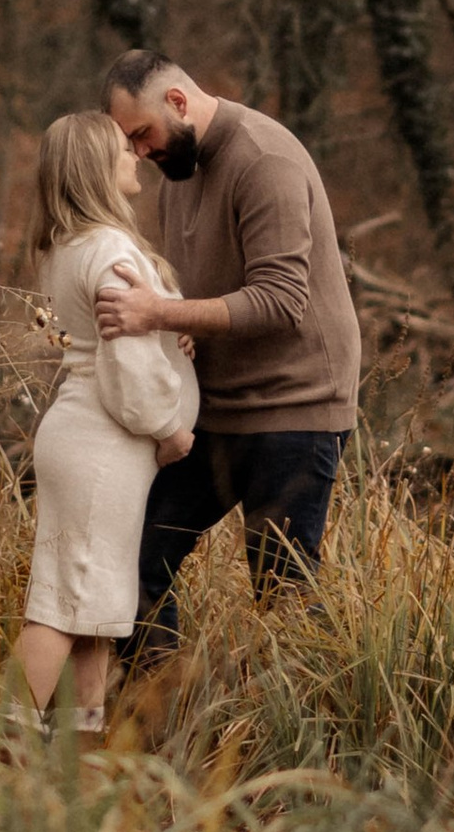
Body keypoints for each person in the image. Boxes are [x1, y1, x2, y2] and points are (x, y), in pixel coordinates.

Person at [95, 47, 359, 647]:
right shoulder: (179, 171)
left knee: (284, 597)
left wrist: (159, 313)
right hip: (213, 413)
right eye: (130, 142)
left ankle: (317, 708)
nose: (140, 152)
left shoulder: (264, 159)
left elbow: (280, 300)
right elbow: (206, 291)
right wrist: (183, 320)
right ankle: (160, 700)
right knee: (134, 562)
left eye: (142, 133)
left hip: (295, 408)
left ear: (178, 102)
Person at [17, 109, 200, 736]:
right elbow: (127, 362)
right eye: (124, 149)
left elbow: (129, 335)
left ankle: (80, 752)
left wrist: (176, 330)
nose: (136, 155)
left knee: (94, 608)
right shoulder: (112, 249)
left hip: (87, 438)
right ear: (96, 167)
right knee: (63, 602)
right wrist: (168, 429)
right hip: (104, 444)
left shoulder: (69, 247)